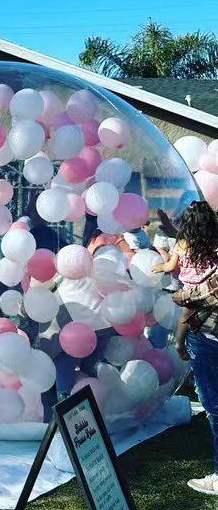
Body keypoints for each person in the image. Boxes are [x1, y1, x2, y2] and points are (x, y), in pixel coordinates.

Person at [153, 200, 218, 495]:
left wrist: (182, 293)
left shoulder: (185, 244)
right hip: (204, 325)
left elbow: (199, 292)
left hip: (205, 330)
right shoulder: (212, 246)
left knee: (213, 406)